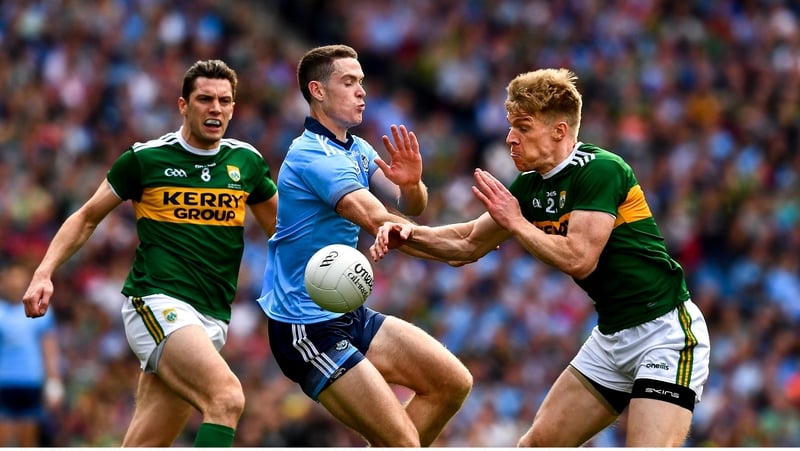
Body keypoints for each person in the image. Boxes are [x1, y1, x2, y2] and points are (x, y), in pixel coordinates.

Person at [371, 68, 711, 447]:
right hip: (613, 336)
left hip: (665, 334)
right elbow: (467, 243)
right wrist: (407, 235)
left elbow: (580, 259)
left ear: (559, 132)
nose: (509, 138)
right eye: (510, 126)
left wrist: (517, 222)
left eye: (523, 127)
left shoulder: (602, 170)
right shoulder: (532, 185)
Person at [22, 59, 279, 447]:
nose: (216, 109)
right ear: (182, 105)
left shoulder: (246, 162)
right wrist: (44, 272)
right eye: (205, 99)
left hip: (212, 315)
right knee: (226, 397)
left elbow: (284, 233)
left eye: (224, 101)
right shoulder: (146, 159)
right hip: (157, 301)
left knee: (146, 445)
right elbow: (87, 217)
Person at [256, 44, 472, 447]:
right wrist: (455, 246)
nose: (362, 92)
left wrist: (410, 185)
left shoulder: (357, 148)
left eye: (363, 82)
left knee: (452, 383)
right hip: (305, 327)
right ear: (317, 91)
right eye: (349, 82)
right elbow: (375, 217)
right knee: (404, 443)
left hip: (345, 311)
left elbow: (411, 206)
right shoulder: (311, 156)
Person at [0, 261, 64, 446]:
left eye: (19, 278)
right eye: (10, 278)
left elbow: (49, 348)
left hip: (31, 380)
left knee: (28, 441)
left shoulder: (40, 309)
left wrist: (54, 381)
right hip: (4, 381)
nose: (14, 283)